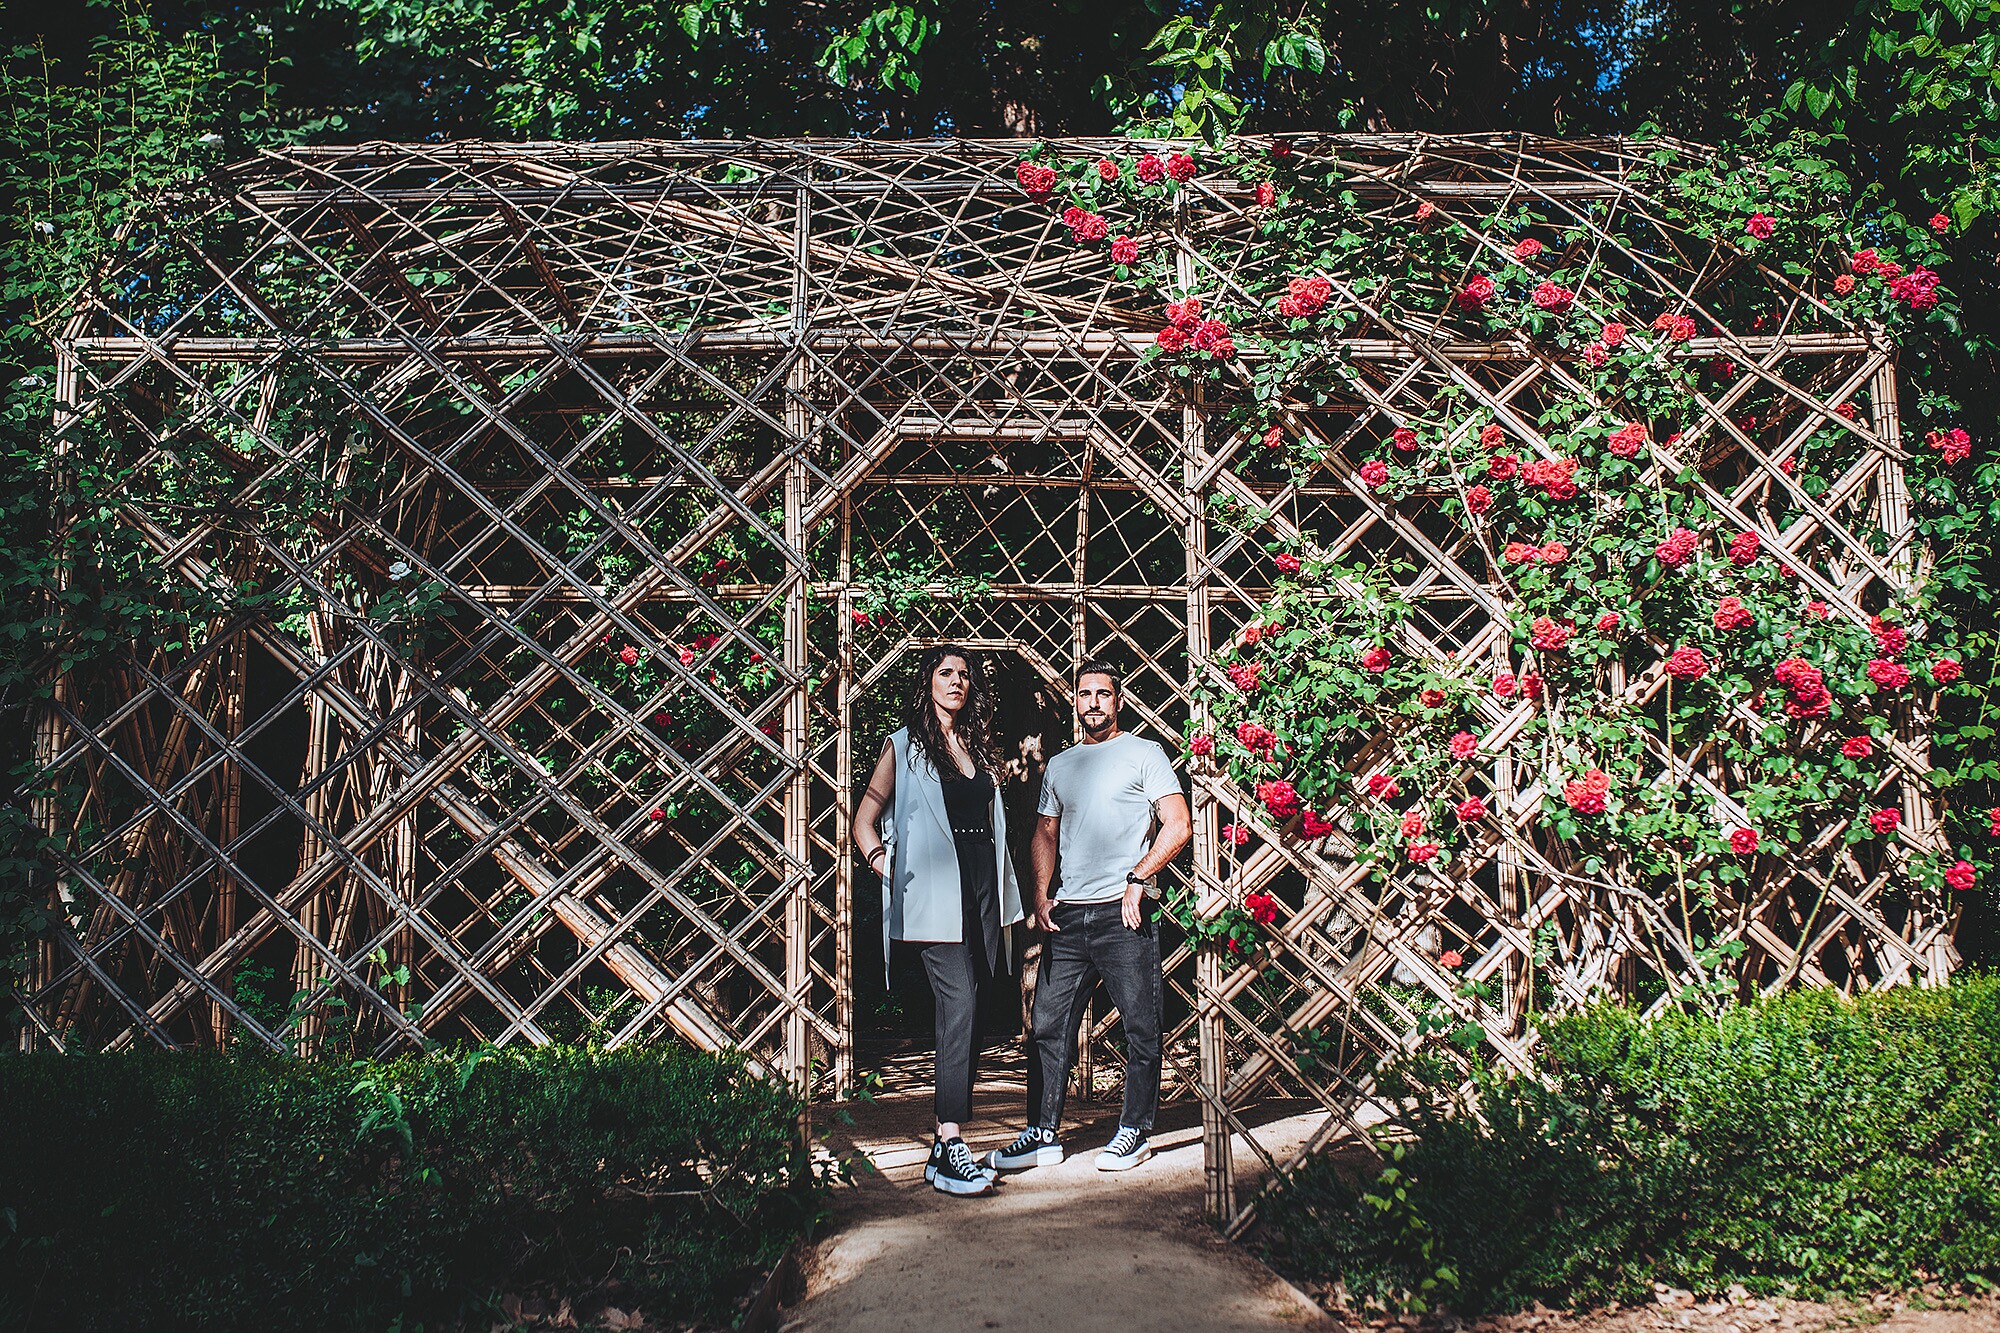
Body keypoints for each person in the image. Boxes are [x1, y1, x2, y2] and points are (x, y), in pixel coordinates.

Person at [986, 660, 1190, 1175]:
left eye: (1103, 693)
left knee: (1141, 1026)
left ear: (1117, 701)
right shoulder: (1060, 765)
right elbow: (1045, 834)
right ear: (1075, 702)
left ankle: (1135, 1131)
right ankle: (1041, 1134)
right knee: (1047, 1026)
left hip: (1126, 914)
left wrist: (1139, 877)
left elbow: (1177, 823)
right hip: (1070, 917)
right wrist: (1040, 894)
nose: (1093, 702)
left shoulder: (1145, 754)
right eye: (1084, 694)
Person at [854, 644, 1025, 1196]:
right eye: (945, 673)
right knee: (961, 1002)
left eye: (964, 675)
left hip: (980, 889)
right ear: (927, 682)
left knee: (976, 1007)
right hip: (931, 892)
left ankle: (939, 1147)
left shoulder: (976, 748)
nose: (956, 682)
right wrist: (883, 863)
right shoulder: (902, 747)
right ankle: (952, 1140)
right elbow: (864, 818)